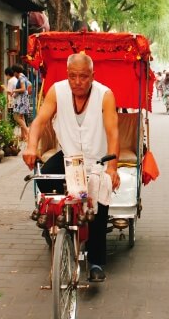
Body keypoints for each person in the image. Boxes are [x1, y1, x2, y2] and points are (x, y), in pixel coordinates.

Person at [23, 53, 120, 282]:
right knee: (44, 178)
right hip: (69, 157)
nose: (78, 81)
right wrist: (30, 146)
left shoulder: (105, 95)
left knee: (99, 197)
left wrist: (112, 168)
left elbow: (112, 132)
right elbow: (39, 121)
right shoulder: (57, 91)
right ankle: (54, 225)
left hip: (96, 159)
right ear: (67, 75)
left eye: (84, 77)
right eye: (73, 76)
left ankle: (96, 262)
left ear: (92, 76)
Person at [11, 65, 31, 141]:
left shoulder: (21, 77)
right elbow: (30, 85)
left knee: (17, 117)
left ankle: (28, 132)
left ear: (16, 72)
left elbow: (23, 89)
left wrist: (14, 91)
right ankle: (24, 136)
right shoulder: (24, 77)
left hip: (21, 101)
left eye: (14, 72)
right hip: (23, 99)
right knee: (21, 117)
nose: (13, 74)